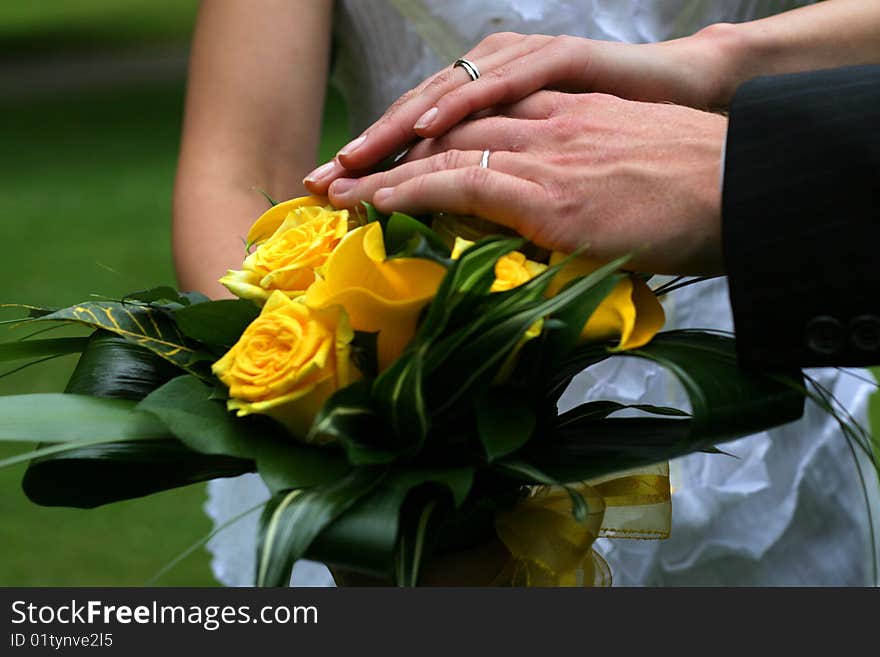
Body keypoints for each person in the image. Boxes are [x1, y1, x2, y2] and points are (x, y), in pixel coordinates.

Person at [174, 1, 880, 586]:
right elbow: (238, 169)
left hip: (740, 389)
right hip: (405, 380)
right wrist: (355, 416)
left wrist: (717, 64)